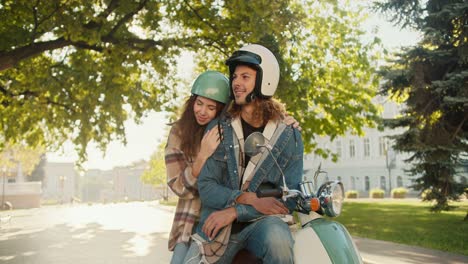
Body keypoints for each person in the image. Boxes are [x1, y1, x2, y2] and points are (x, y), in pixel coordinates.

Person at [183, 44, 304, 264]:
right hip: (218, 224)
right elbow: (207, 187)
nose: (236, 83)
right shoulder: (218, 128)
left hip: (263, 223)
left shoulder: (289, 136)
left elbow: (289, 198)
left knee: (279, 239)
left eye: (245, 77)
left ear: (264, 81)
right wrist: (247, 199)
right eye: (235, 77)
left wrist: (237, 211)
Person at [165, 70, 231, 264]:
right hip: (188, 222)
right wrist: (202, 156)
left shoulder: (227, 132)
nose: (202, 111)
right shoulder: (178, 132)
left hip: (218, 224)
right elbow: (177, 187)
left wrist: (285, 120)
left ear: (220, 111)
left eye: (211, 107)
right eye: (199, 103)